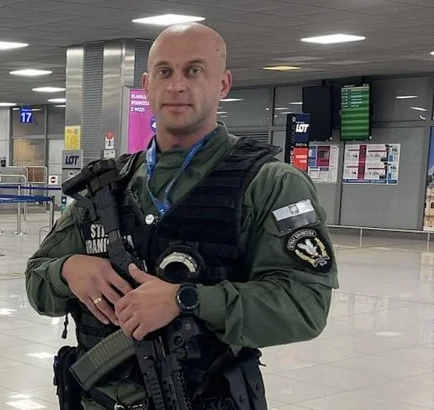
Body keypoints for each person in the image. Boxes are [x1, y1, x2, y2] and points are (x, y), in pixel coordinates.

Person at [25, 22, 339, 410]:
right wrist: (67, 270)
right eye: (164, 71)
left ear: (223, 84)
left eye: (194, 71)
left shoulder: (269, 183)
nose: (176, 85)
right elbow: (37, 281)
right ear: (147, 85)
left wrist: (187, 300)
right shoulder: (107, 186)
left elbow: (305, 306)